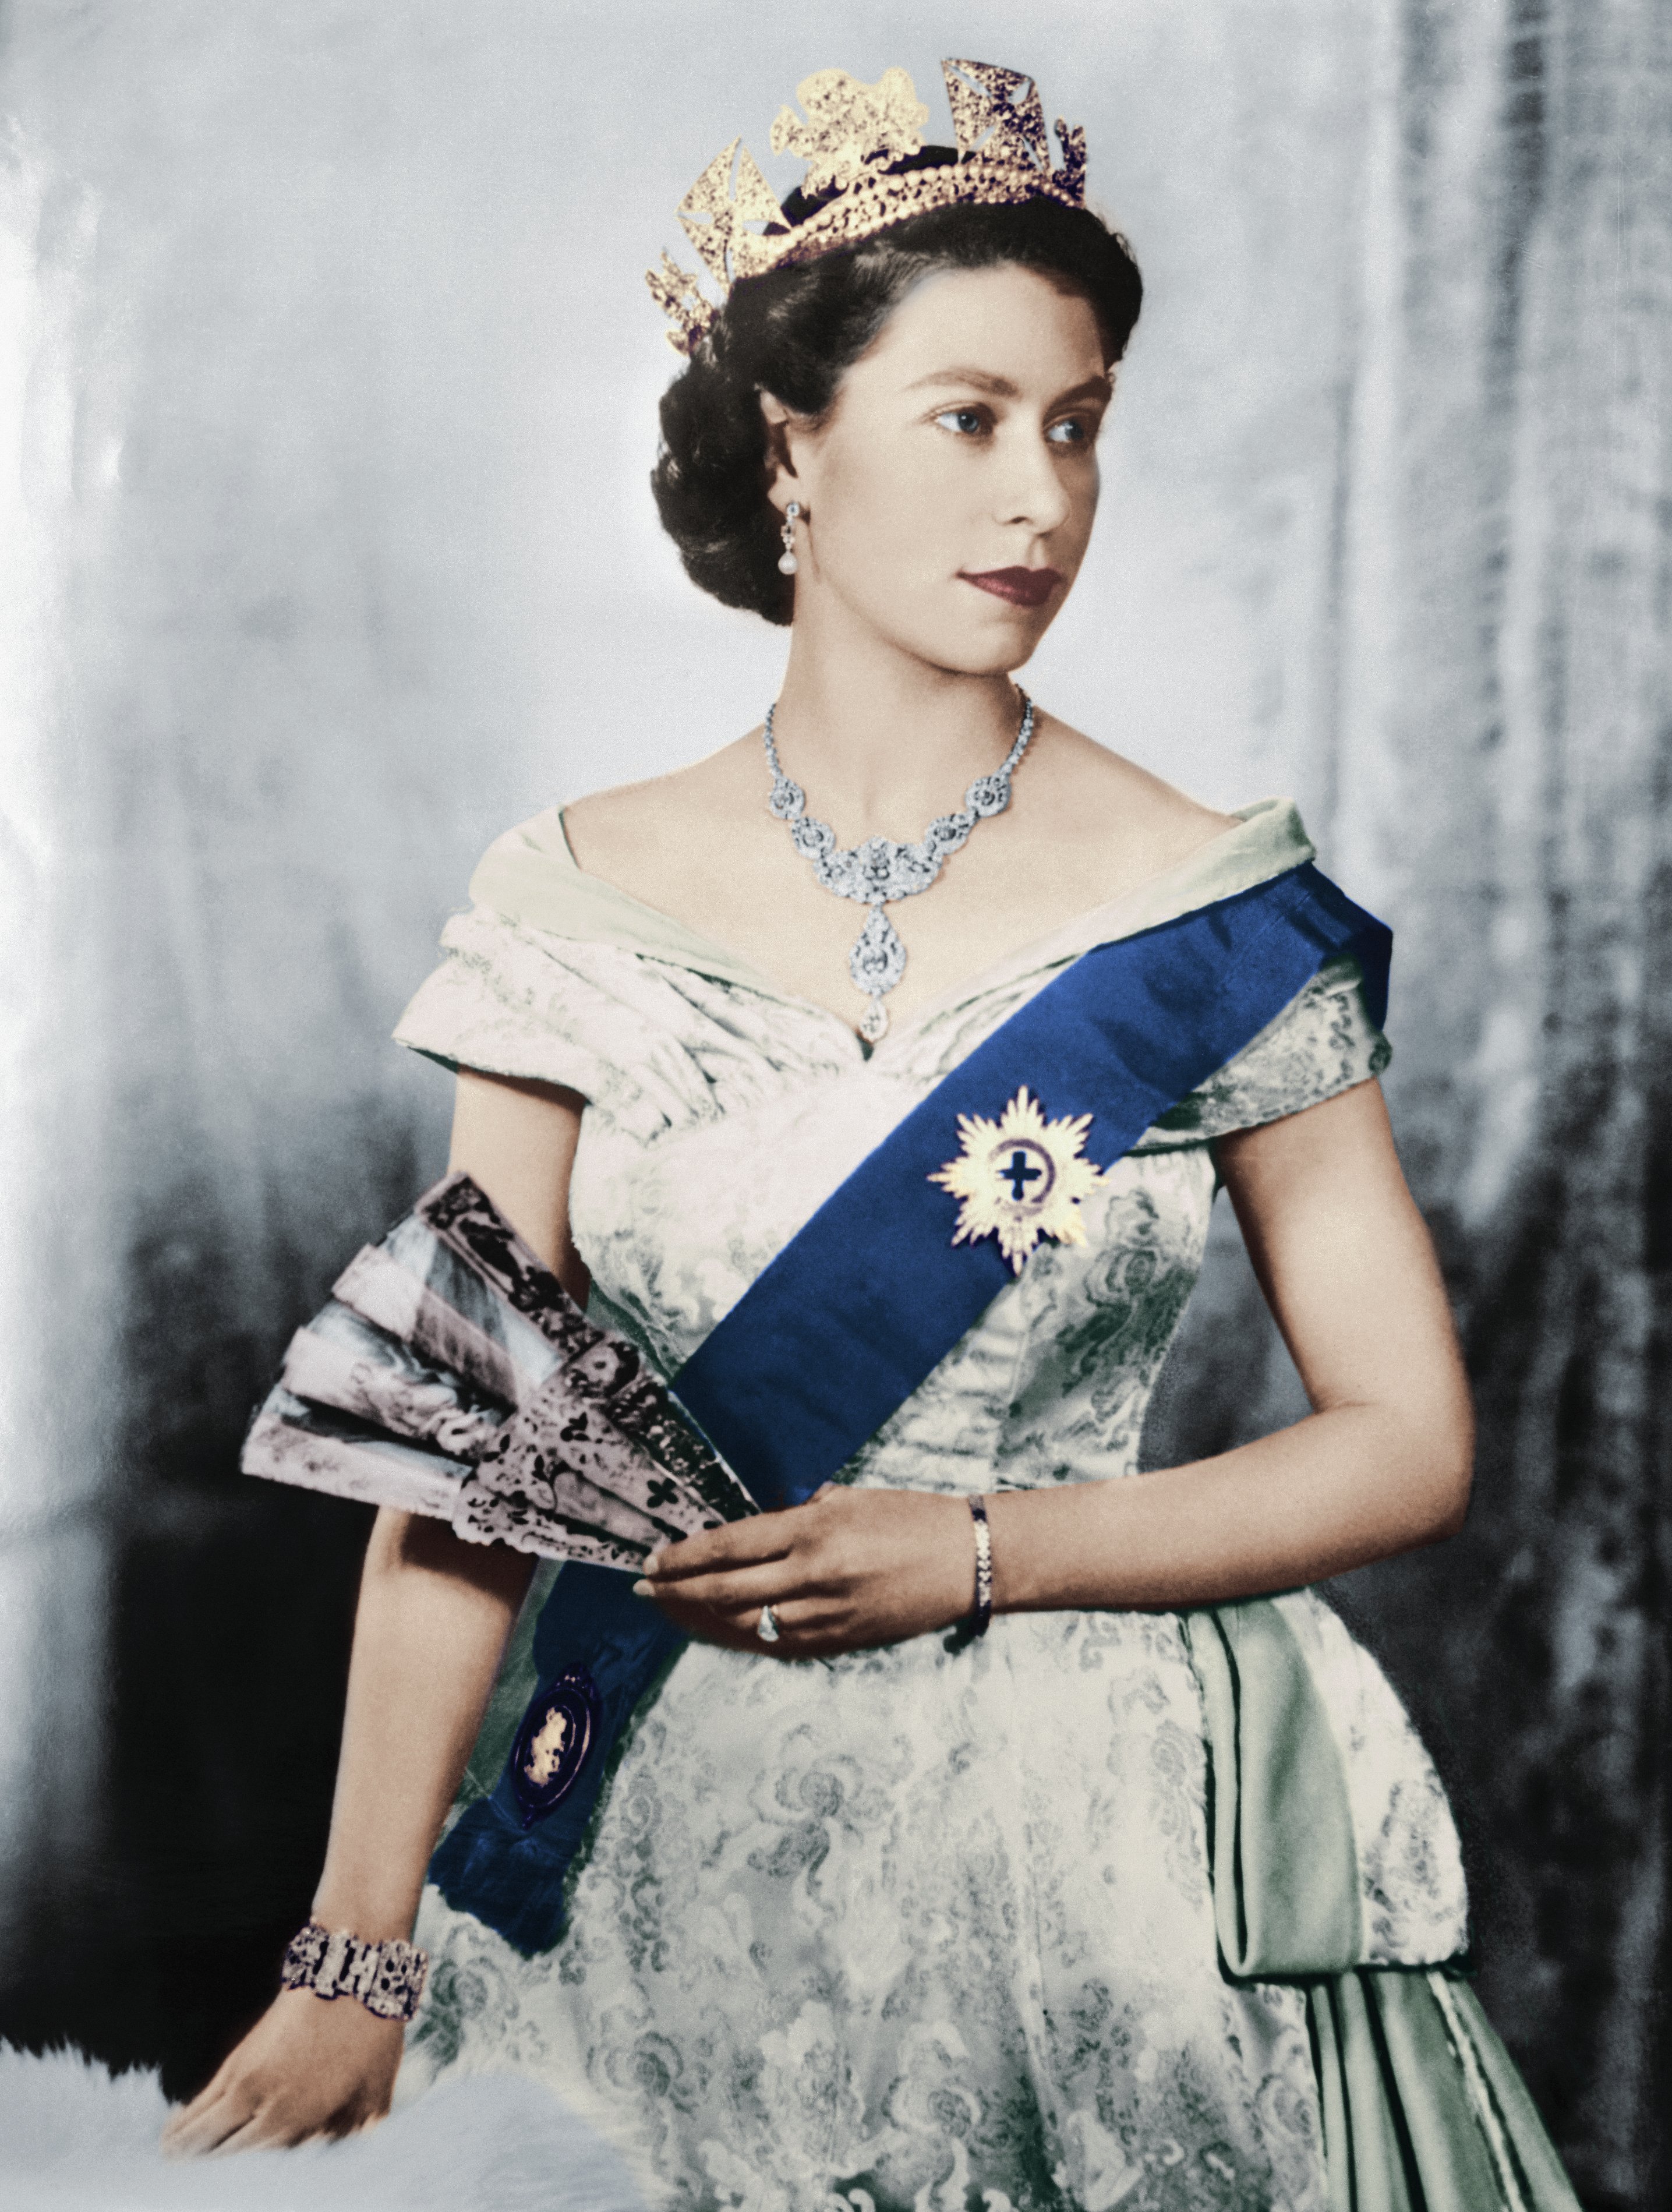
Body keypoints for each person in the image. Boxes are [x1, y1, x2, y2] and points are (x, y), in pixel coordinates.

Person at [164, 58, 1581, 2212]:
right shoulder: (568, 903)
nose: (1045, 497)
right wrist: (356, 1951)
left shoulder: (1210, 912)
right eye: (971, 416)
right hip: (648, 1834)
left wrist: (988, 1551)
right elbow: (461, 1479)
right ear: (790, 443)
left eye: (1081, 421)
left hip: (1099, 1861)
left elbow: (1405, 1439)